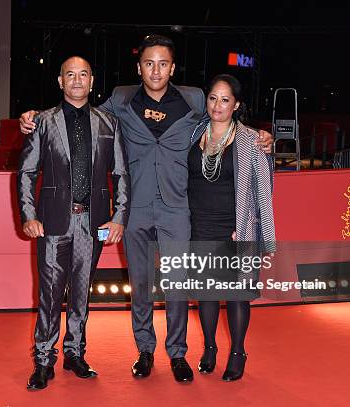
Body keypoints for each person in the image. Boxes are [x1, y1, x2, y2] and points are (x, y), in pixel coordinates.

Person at [20, 34, 274, 382]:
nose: (156, 70)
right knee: (140, 286)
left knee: (177, 285)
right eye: (149, 63)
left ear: (172, 67)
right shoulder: (121, 100)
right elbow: (81, 113)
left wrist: (259, 135)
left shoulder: (194, 100)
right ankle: (145, 351)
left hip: (177, 209)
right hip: (135, 209)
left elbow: (223, 117)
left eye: (163, 63)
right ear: (139, 67)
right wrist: (33, 116)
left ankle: (178, 353)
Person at [18, 56, 130, 390]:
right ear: (60, 81)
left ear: (92, 82)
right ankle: (43, 359)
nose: (77, 80)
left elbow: (121, 173)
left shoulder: (109, 123)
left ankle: (75, 353)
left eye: (83, 75)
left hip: (93, 222)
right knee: (50, 294)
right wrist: (28, 215)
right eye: (71, 75)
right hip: (52, 222)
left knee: (82, 293)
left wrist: (119, 216)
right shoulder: (43, 121)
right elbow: (27, 172)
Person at [188, 74, 275, 381]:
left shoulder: (252, 140)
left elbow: (264, 189)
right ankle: (210, 347)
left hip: (235, 228)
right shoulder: (193, 132)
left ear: (236, 105)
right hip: (199, 225)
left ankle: (237, 352)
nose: (218, 105)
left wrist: (256, 230)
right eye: (213, 98)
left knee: (237, 294)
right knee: (207, 293)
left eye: (225, 100)